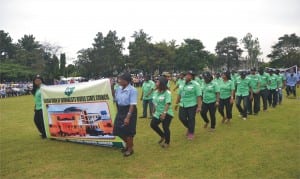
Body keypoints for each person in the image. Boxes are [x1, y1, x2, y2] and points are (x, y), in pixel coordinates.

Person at [113, 72, 138, 157]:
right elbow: (115, 99)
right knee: (117, 129)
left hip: (129, 110)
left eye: (121, 79)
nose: (119, 81)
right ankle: (129, 144)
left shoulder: (132, 90)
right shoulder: (119, 88)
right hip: (121, 110)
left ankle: (130, 149)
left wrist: (128, 117)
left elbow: (132, 104)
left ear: (126, 81)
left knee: (129, 131)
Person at [175, 71, 202, 140]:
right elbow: (179, 94)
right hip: (183, 104)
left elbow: (199, 96)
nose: (187, 76)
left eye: (189, 75)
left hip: (192, 104)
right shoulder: (182, 83)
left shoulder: (196, 84)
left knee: (191, 119)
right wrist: (176, 103)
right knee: (181, 118)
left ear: (192, 77)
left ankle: (191, 133)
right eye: (186, 75)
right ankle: (189, 127)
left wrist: (199, 106)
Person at [150, 76, 174, 148]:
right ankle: (162, 136)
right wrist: (153, 110)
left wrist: (164, 113)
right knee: (153, 124)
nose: (156, 83)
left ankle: (167, 142)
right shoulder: (155, 92)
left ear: (162, 84)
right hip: (157, 112)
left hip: (167, 113)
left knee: (165, 127)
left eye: (157, 82)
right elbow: (154, 102)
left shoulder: (167, 93)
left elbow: (168, 103)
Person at [32, 75, 46, 139]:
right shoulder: (36, 89)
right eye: (36, 80)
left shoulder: (44, 88)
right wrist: (35, 106)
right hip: (37, 108)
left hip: (43, 108)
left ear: (41, 80)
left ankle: (44, 134)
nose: (37, 81)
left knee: (42, 121)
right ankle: (43, 132)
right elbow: (37, 99)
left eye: (39, 80)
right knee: (36, 120)